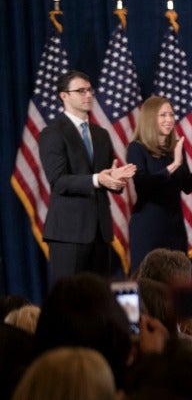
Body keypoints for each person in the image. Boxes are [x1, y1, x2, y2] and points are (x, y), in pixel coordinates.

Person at [38, 70, 136, 285]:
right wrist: (97, 179)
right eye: (81, 91)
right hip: (69, 232)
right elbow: (58, 181)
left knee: (99, 301)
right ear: (64, 96)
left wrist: (116, 179)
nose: (88, 95)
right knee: (69, 301)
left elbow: (107, 176)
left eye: (90, 90)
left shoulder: (101, 134)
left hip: (101, 232)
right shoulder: (53, 132)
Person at [127, 96, 192, 269]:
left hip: (175, 227)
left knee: (177, 280)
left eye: (171, 115)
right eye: (163, 115)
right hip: (148, 227)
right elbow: (143, 185)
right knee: (148, 281)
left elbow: (186, 186)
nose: (169, 120)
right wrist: (174, 165)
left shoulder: (176, 148)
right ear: (150, 118)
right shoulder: (137, 148)